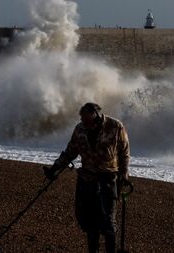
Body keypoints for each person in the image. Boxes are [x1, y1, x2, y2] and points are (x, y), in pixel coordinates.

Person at [47, 102, 130, 253]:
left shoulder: (115, 126)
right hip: (87, 179)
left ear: (97, 117)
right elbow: (70, 152)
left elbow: (124, 152)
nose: (85, 124)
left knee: (108, 222)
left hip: (108, 179)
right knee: (89, 222)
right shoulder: (80, 129)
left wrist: (124, 174)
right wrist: (54, 168)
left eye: (88, 121)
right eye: (83, 120)